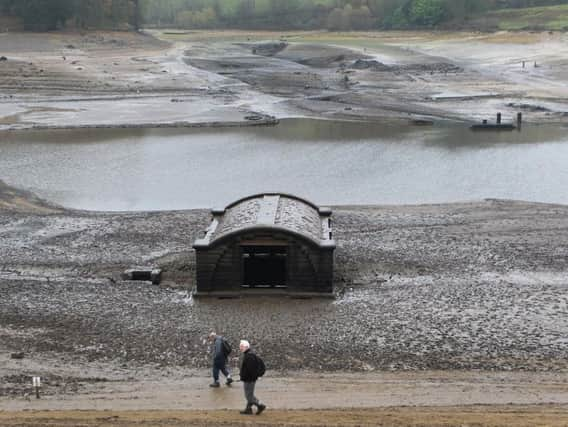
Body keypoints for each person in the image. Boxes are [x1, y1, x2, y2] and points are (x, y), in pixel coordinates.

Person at [239, 340, 266, 415]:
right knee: (249, 394)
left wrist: (245, 377)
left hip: (249, 380)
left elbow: (251, 370)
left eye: (242, 346)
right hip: (250, 379)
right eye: (240, 346)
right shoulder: (249, 354)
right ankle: (248, 409)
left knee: (249, 396)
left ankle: (260, 405)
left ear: (246, 347)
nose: (240, 348)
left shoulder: (249, 356)